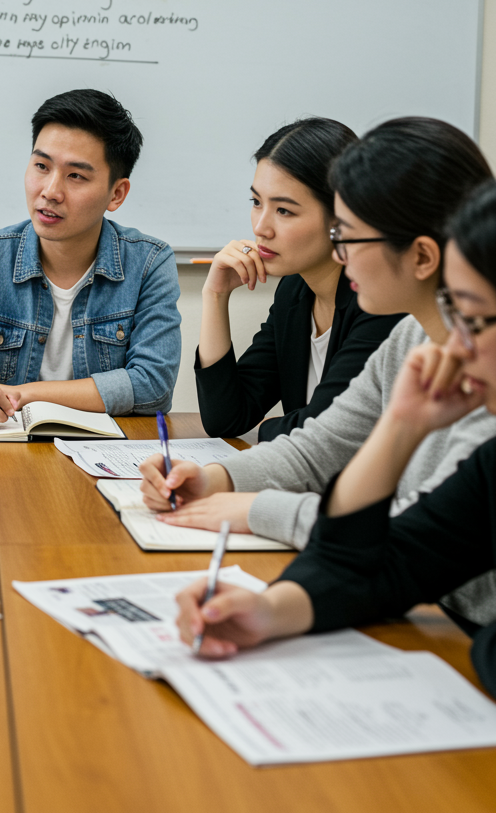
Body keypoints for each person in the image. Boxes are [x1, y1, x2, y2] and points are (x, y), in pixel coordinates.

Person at [140, 117, 496, 628]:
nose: (339, 250)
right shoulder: (410, 338)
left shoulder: (474, 380)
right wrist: (215, 479)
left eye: (347, 235)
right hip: (421, 614)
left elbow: (403, 535)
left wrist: (251, 508)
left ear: (422, 255)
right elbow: (320, 447)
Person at [0, 88, 181, 427]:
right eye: (41, 166)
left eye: (76, 176)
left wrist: (26, 394)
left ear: (117, 193)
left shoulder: (148, 263)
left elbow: (153, 385)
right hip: (0, 454)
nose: (50, 191)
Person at [195, 117, 402, 442]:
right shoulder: (294, 291)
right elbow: (226, 417)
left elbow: (325, 431)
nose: (261, 227)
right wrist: (215, 295)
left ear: (341, 217)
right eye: (256, 202)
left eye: (284, 211)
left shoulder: (380, 300)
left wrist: (269, 429)